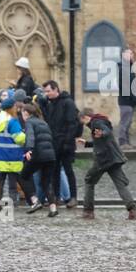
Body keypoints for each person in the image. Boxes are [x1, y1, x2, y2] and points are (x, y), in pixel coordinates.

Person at [79, 112, 136, 221]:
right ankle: (132, 211)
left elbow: (104, 132)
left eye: (82, 122)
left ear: (86, 118)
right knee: (121, 185)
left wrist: (102, 133)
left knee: (89, 181)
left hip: (103, 160)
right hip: (113, 159)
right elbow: (102, 139)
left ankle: (88, 211)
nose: (83, 124)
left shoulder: (96, 123)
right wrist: (87, 143)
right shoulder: (100, 122)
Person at [41, 79, 80, 208]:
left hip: (65, 143)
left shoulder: (67, 103)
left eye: (48, 91)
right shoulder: (49, 103)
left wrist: (67, 141)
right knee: (54, 171)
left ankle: (73, 197)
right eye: (45, 92)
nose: (47, 94)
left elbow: (72, 124)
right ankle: (56, 197)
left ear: (55, 89)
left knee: (68, 170)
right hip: (54, 143)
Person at [0, 89, 26, 211]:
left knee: (0, 182)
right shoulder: (13, 121)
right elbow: (19, 139)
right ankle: (13, 203)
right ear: (11, 108)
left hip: (0, 156)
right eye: (15, 106)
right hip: (13, 156)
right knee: (12, 183)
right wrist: (25, 135)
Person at [18, 103, 58, 216]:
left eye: (22, 113)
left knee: (23, 176)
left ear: (26, 113)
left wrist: (28, 149)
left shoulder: (29, 122)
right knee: (46, 181)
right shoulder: (43, 122)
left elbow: (30, 136)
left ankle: (35, 201)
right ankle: (53, 208)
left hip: (38, 154)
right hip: (50, 156)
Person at [117, 47, 136, 148]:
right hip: (126, 101)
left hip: (130, 101)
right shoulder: (124, 69)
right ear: (123, 56)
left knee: (128, 123)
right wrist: (132, 98)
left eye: (131, 54)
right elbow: (126, 86)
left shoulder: (129, 68)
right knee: (124, 122)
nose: (131, 56)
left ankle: (127, 142)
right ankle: (122, 142)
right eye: (128, 54)